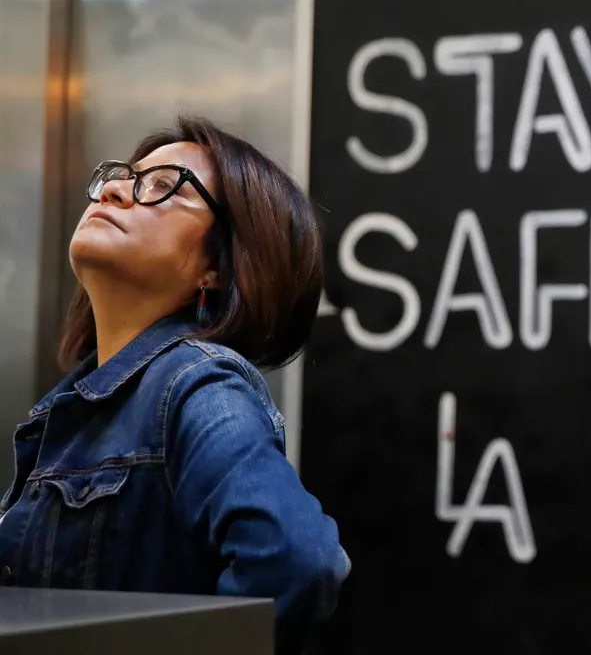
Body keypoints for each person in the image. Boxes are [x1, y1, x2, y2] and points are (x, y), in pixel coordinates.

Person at [0, 116, 349, 654]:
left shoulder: (196, 382)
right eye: (122, 176)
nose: (115, 190)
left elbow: (297, 558)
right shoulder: (69, 408)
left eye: (163, 186)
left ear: (219, 268)